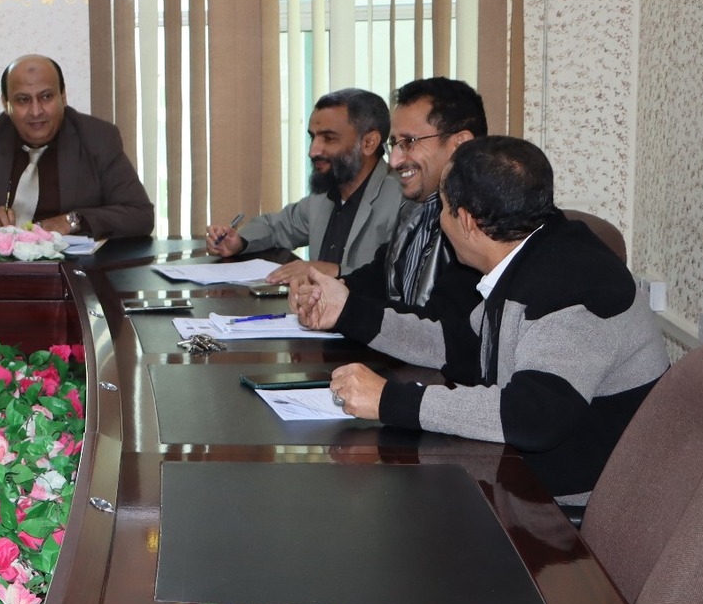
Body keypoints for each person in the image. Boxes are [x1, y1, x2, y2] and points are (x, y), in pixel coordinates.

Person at [318, 138, 666, 504]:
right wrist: (348, 311)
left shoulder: (572, 286)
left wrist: (390, 400)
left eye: (444, 208)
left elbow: (533, 418)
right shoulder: (533, 255)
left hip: (572, 504)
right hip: (521, 474)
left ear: (467, 220)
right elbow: (455, 344)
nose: (440, 220)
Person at [278, 76, 487, 309]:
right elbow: (378, 278)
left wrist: (345, 310)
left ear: (460, 144)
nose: (395, 160)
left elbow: (437, 326)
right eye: (395, 144)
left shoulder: (483, 225)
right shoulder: (416, 209)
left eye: (409, 142)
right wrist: (322, 294)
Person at [0, 55, 155, 242]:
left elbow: (140, 215)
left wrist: (72, 221)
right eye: (23, 100)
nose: (36, 111)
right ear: (6, 104)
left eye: (46, 97)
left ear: (63, 97)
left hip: (73, 272)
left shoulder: (98, 138)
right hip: (0, 274)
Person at [205, 88, 401, 274]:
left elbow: (399, 278)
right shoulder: (324, 196)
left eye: (329, 138)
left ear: (368, 143)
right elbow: (275, 227)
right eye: (313, 137)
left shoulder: (402, 201)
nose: (313, 151)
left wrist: (330, 271)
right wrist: (239, 242)